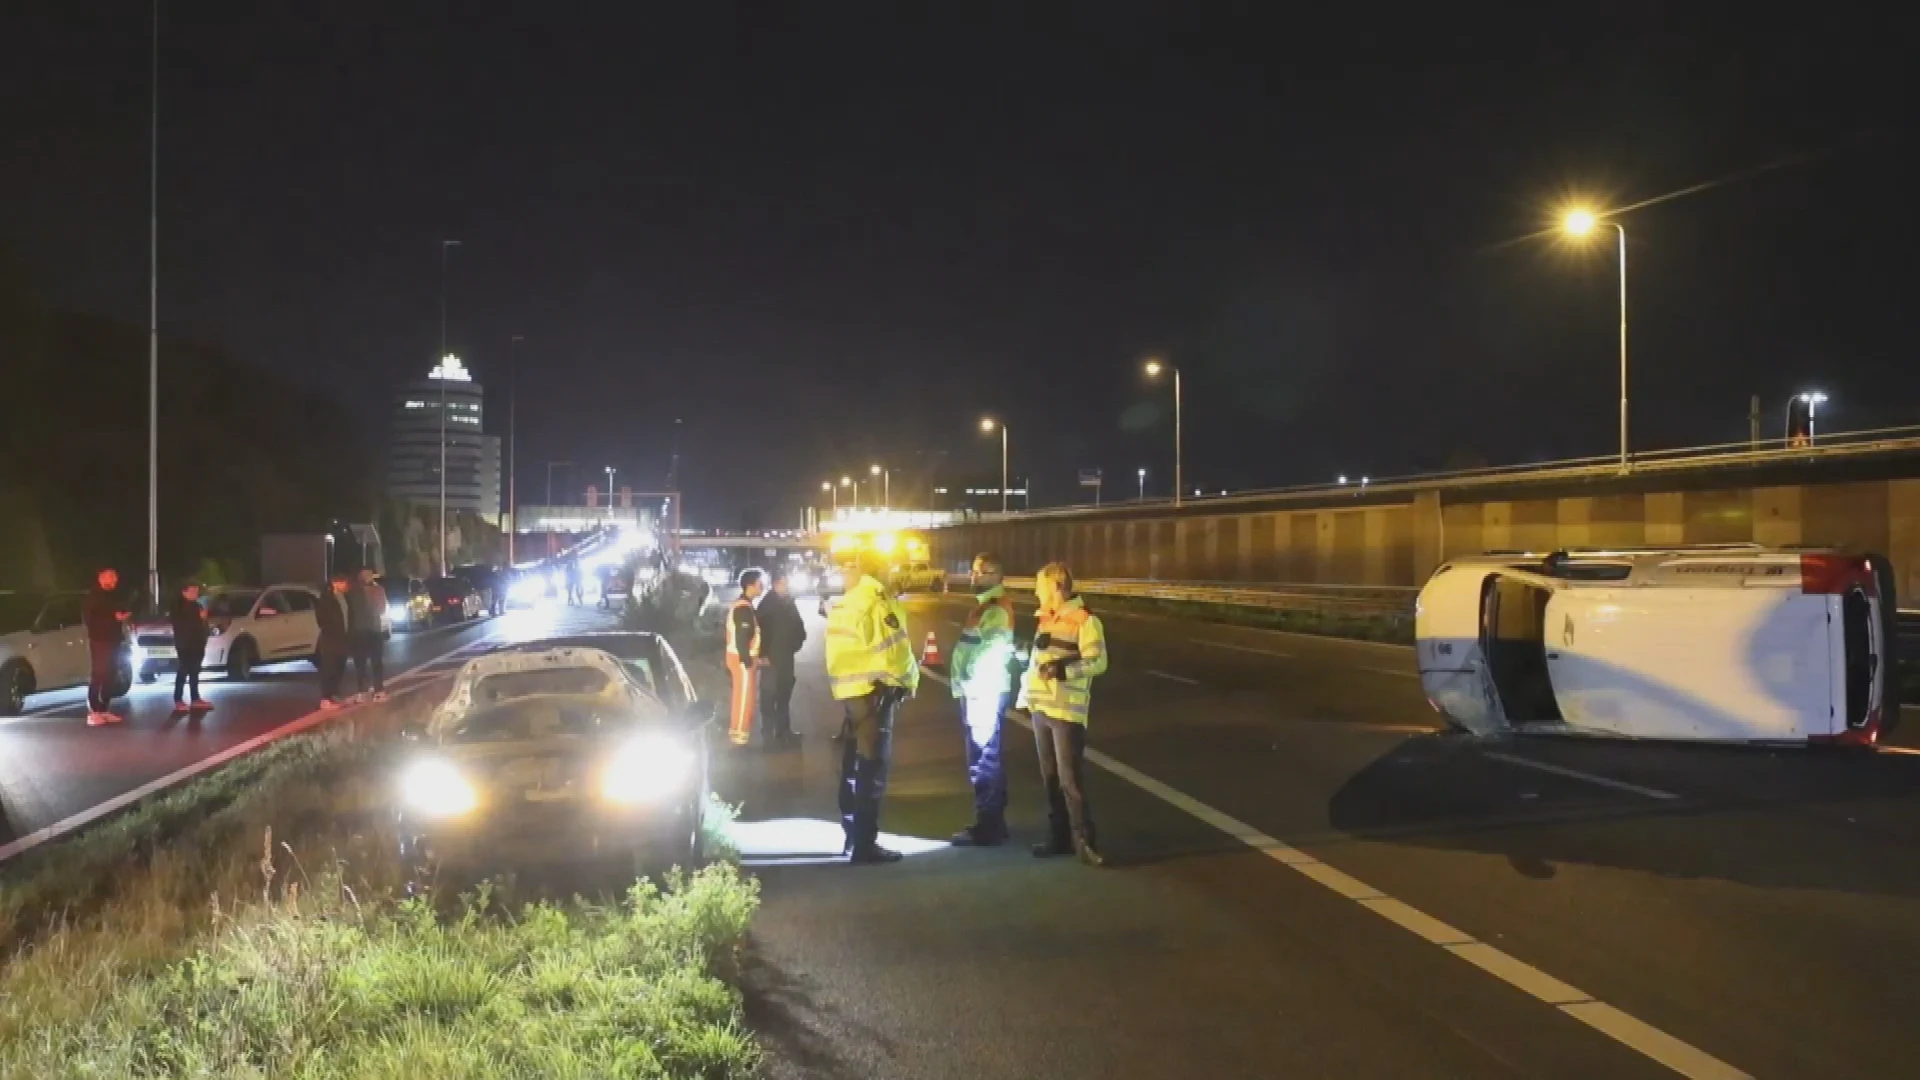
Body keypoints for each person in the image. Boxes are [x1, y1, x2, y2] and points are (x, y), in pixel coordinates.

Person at [825, 548, 918, 864]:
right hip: (874, 693)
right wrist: (908, 682)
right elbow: (897, 651)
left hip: (849, 692)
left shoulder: (845, 601)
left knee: (852, 764)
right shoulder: (877, 603)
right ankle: (866, 844)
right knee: (872, 767)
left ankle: (852, 834)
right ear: (881, 570)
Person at [1017, 561, 1109, 867]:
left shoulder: (1085, 621)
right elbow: (1038, 661)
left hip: (1066, 712)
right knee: (1051, 779)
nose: (1035, 591)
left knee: (1070, 781)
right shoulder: (1046, 620)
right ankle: (1058, 839)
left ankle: (1085, 841)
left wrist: (1062, 670)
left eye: (1039, 585)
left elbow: (1098, 662)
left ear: (1057, 586)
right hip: (1041, 709)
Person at [947, 552, 1017, 846]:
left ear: (999, 576)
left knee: (984, 760)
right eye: (975, 570)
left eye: (985, 571)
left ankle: (987, 827)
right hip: (980, 690)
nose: (977, 576)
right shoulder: (984, 606)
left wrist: (971, 683)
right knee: (987, 757)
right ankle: (994, 823)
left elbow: (992, 651)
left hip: (983, 692)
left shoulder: (995, 609)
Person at [756, 566, 807, 746]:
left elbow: (799, 627)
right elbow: (758, 633)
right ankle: (768, 733)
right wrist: (762, 655)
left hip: (786, 657)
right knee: (769, 697)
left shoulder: (788, 603)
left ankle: (784, 731)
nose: (786, 586)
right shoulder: (766, 605)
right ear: (776, 584)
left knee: (784, 696)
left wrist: (796, 644)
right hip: (770, 660)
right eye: (784, 583)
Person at [81, 567, 131, 726]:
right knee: (100, 673)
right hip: (100, 639)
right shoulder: (93, 597)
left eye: (115, 578)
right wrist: (113, 618)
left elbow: (118, 612)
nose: (115, 581)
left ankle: (104, 709)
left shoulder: (113, 597)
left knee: (112, 674)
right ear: (101, 577)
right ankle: (93, 711)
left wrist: (122, 615)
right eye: (111, 577)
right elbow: (90, 620)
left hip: (114, 639)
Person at [725, 568, 766, 748]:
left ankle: (739, 733)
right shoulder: (743, 608)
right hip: (742, 659)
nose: (762, 586)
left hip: (742, 658)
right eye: (759, 583)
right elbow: (743, 636)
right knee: (743, 699)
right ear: (750, 585)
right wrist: (746, 660)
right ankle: (739, 737)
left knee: (744, 696)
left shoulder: (745, 605)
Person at [168, 582, 212, 715]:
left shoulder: (197, 605)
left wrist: (204, 623)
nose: (195, 593)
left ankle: (195, 698)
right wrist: (198, 618)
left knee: (195, 670)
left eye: (196, 591)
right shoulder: (179, 607)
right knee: (183, 670)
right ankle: (178, 699)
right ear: (184, 592)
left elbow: (202, 623)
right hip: (185, 644)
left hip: (198, 642)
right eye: (192, 591)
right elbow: (182, 624)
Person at [346, 568, 388, 702]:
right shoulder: (377, 590)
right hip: (373, 630)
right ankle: (378, 691)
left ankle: (362, 692)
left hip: (358, 630)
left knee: (360, 663)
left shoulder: (351, 592)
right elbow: (382, 608)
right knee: (376, 662)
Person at [316, 572, 352, 709]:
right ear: (336, 583)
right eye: (343, 583)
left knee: (340, 666)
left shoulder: (344, 597)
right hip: (331, 638)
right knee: (329, 667)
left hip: (343, 637)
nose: (346, 585)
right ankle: (325, 697)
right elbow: (321, 617)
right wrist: (329, 629)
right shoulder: (326, 598)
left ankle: (334, 694)